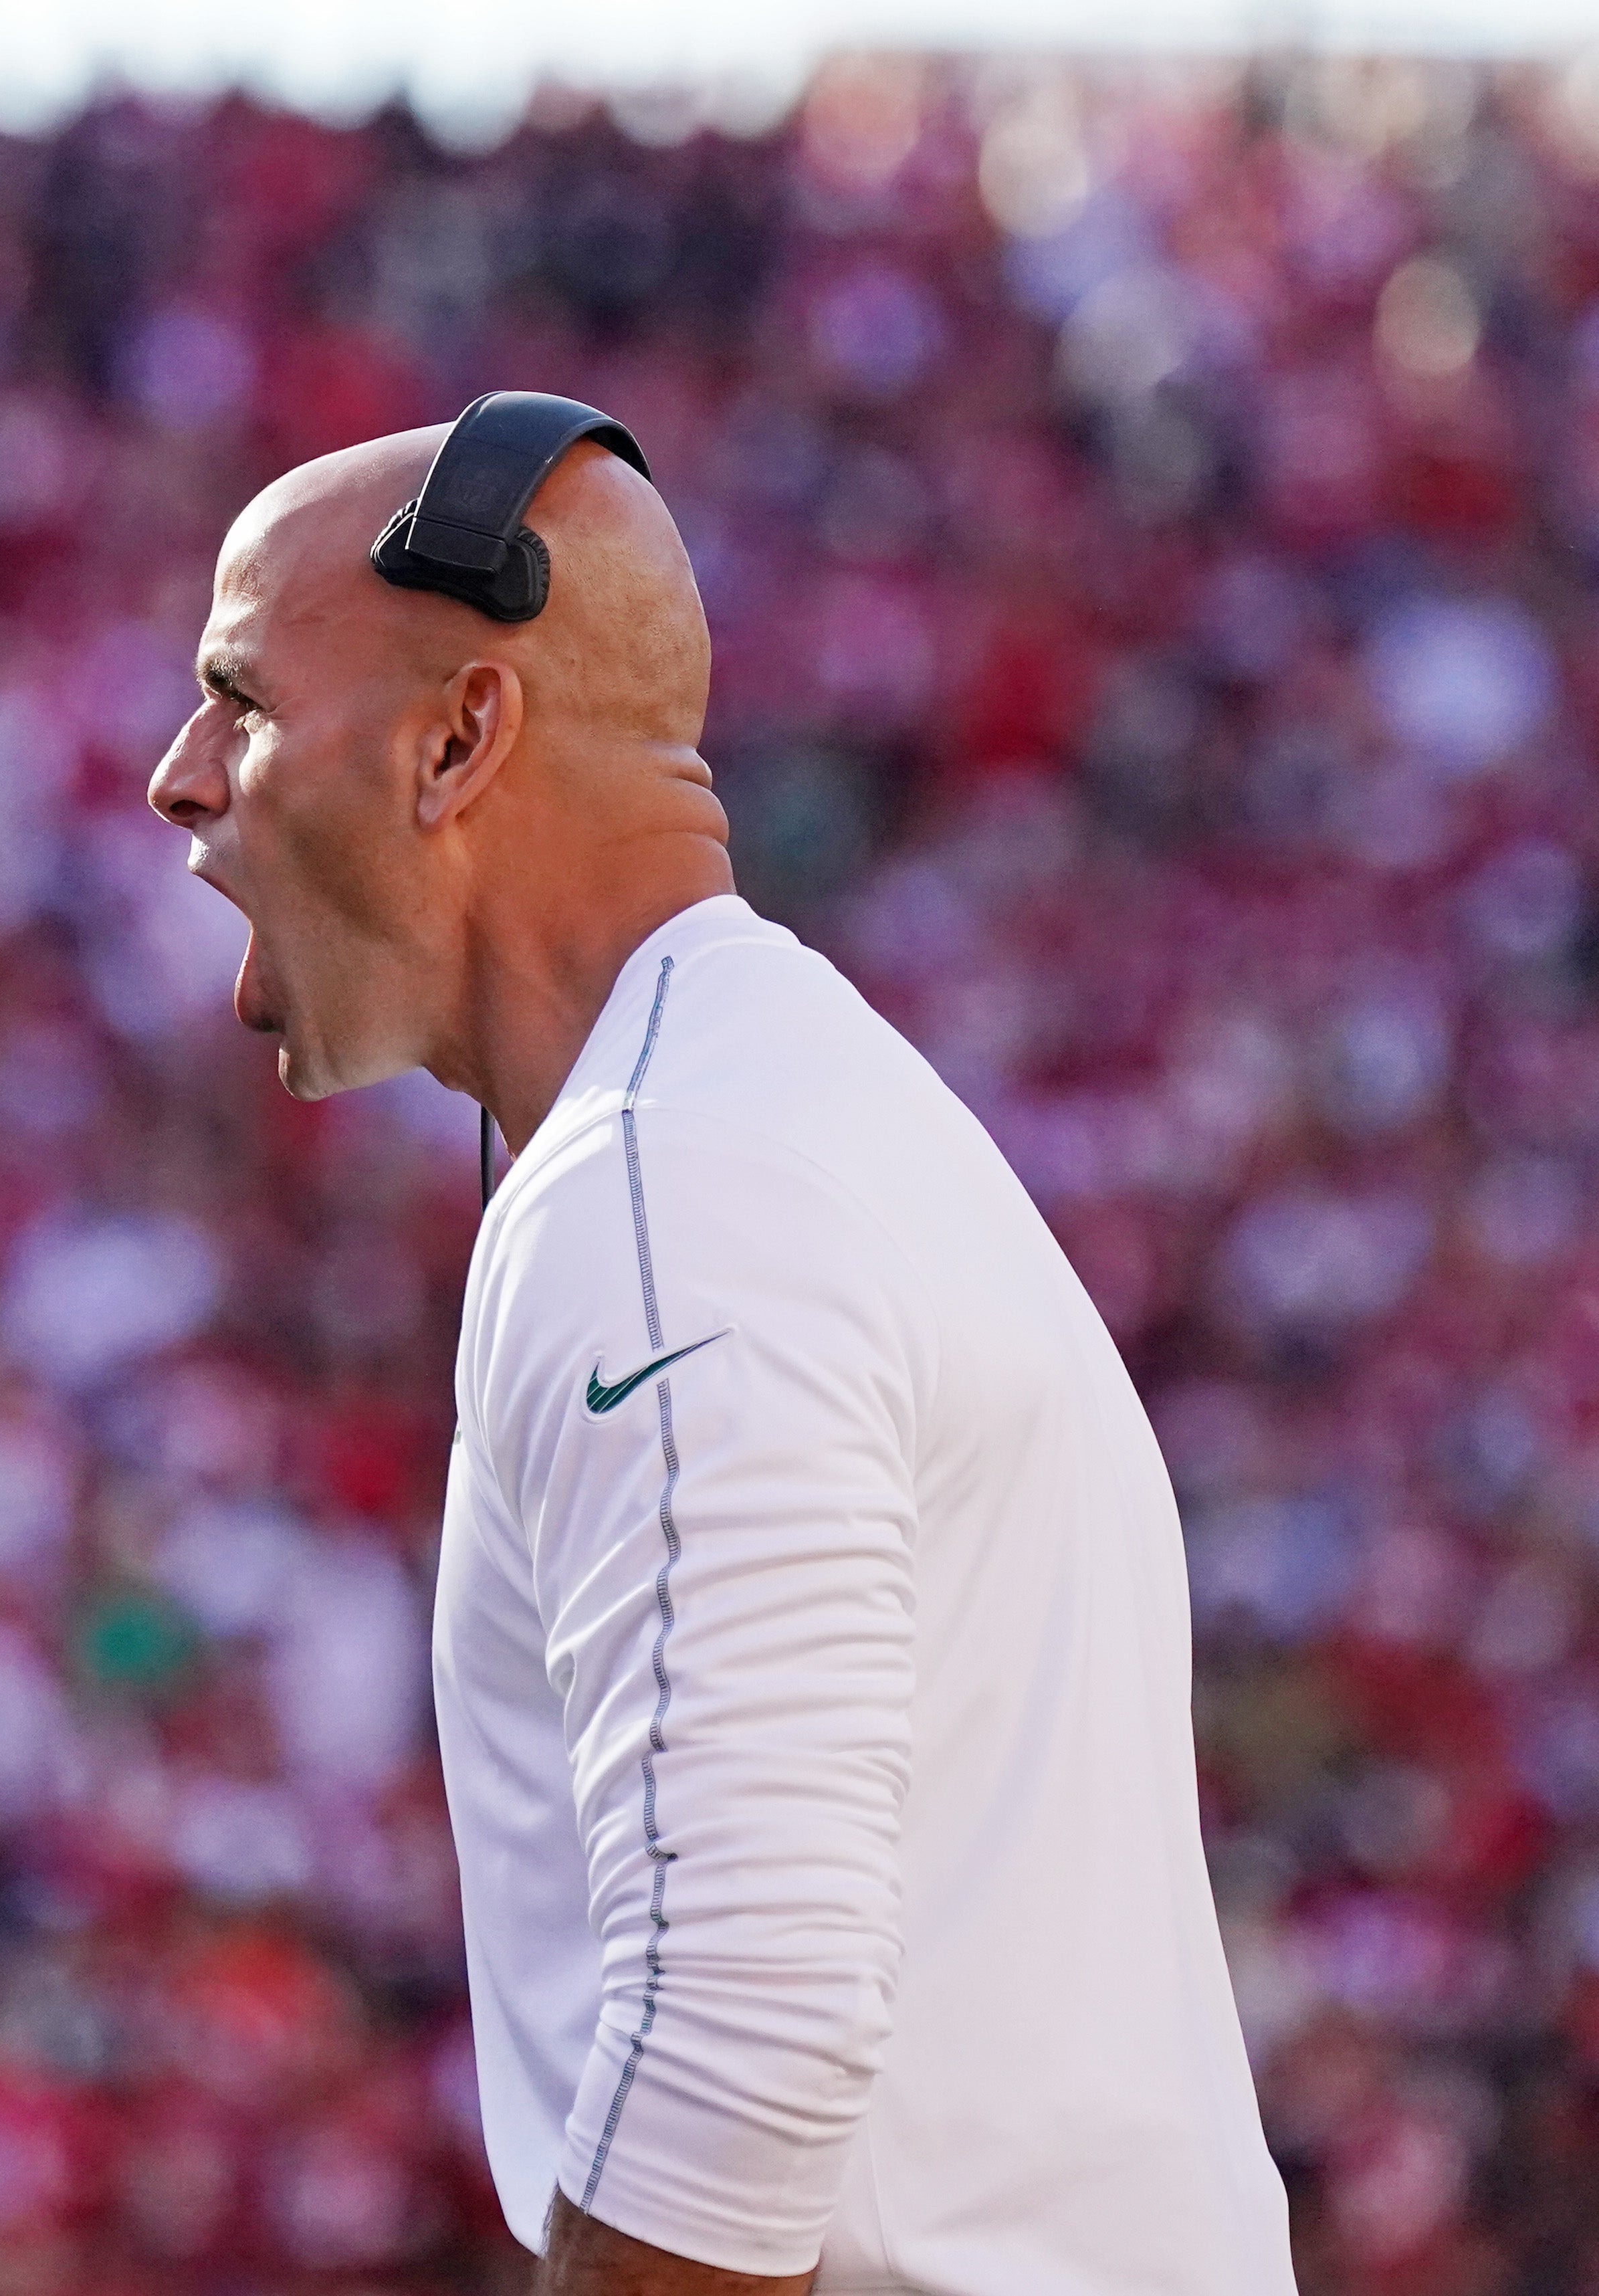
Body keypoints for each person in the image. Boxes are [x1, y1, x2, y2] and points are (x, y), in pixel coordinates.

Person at [144, 415, 1296, 2293]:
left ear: (458, 739)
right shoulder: (771, 1104)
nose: (178, 780)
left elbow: (739, 2040)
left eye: (242, 699)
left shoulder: (669, 1179)